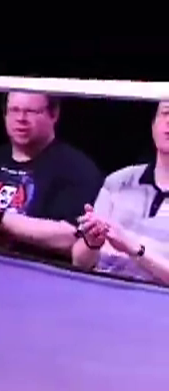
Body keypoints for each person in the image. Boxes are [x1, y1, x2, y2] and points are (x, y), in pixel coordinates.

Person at [0, 92, 101, 260]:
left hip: (33, 269)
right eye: (14, 110)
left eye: (31, 111)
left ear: (54, 114)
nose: (21, 118)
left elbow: (70, 237)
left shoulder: (76, 168)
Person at [72, 100, 169, 285]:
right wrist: (91, 243)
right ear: (153, 125)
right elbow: (79, 263)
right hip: (100, 290)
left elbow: (131, 247)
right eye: (166, 113)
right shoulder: (119, 181)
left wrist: (134, 249)